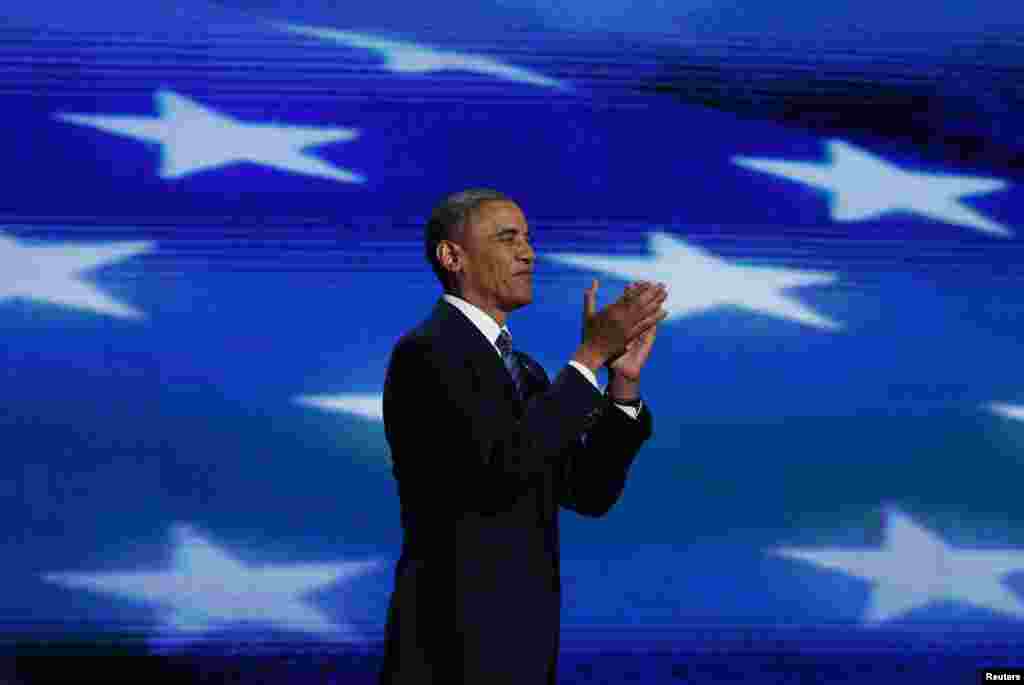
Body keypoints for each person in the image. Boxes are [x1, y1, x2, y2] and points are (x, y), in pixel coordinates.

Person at [377, 189, 668, 684]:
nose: (529, 253)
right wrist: (590, 357)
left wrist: (621, 384)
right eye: (508, 237)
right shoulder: (425, 354)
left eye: (529, 239)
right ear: (453, 257)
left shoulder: (527, 372)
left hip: (524, 644)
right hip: (449, 647)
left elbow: (587, 491)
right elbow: (501, 468)